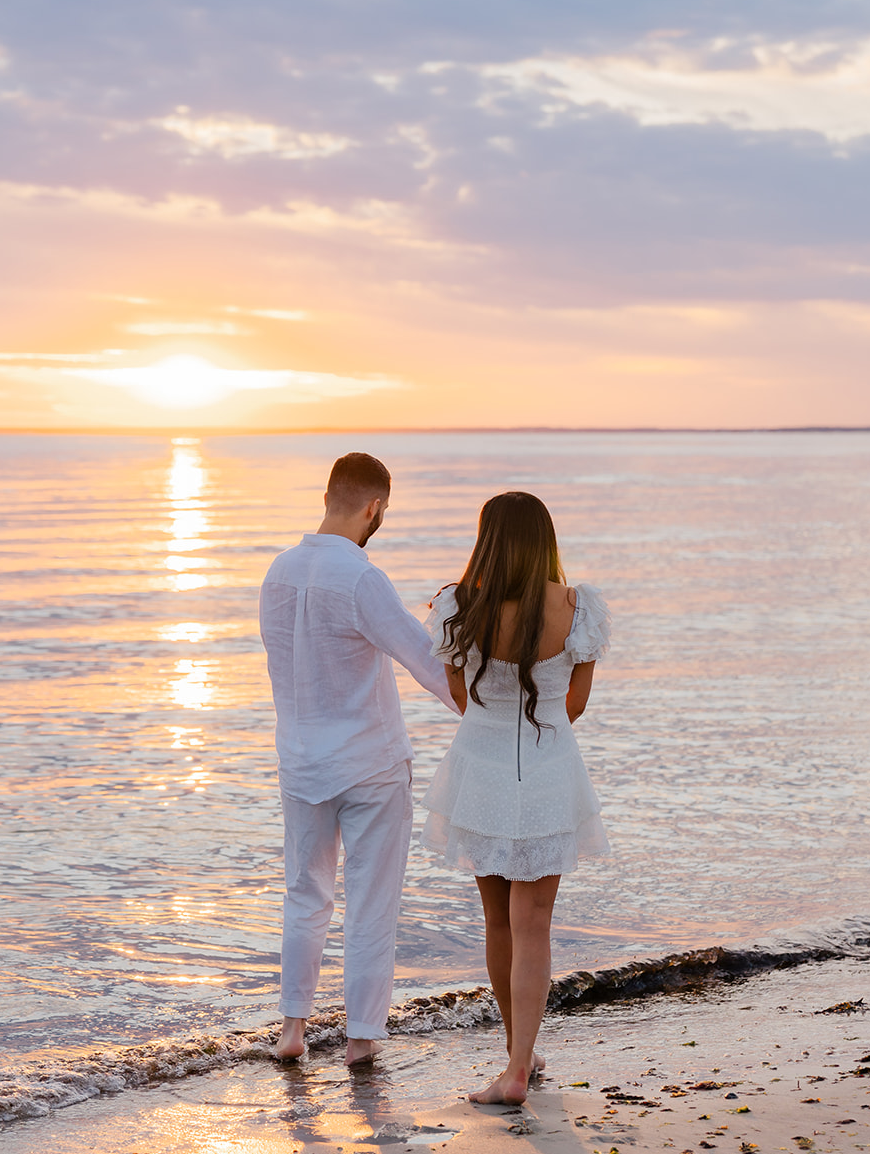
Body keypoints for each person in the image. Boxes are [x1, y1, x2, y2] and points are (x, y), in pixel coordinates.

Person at [259, 451, 459, 1066]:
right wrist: (495, 709)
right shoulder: (361, 578)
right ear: (375, 507)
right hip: (369, 764)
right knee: (370, 901)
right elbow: (427, 663)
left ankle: (293, 1032)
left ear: (328, 496)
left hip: (301, 761)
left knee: (305, 894)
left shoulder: (278, 572)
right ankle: (361, 1038)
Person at [421, 491, 610, 1104]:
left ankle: (514, 1060)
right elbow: (575, 704)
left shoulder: (456, 605)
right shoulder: (579, 608)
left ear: (487, 539)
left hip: (479, 770)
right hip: (551, 767)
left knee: (498, 920)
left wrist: (495, 723)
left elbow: (459, 695)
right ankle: (521, 1063)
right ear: (545, 540)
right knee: (536, 924)